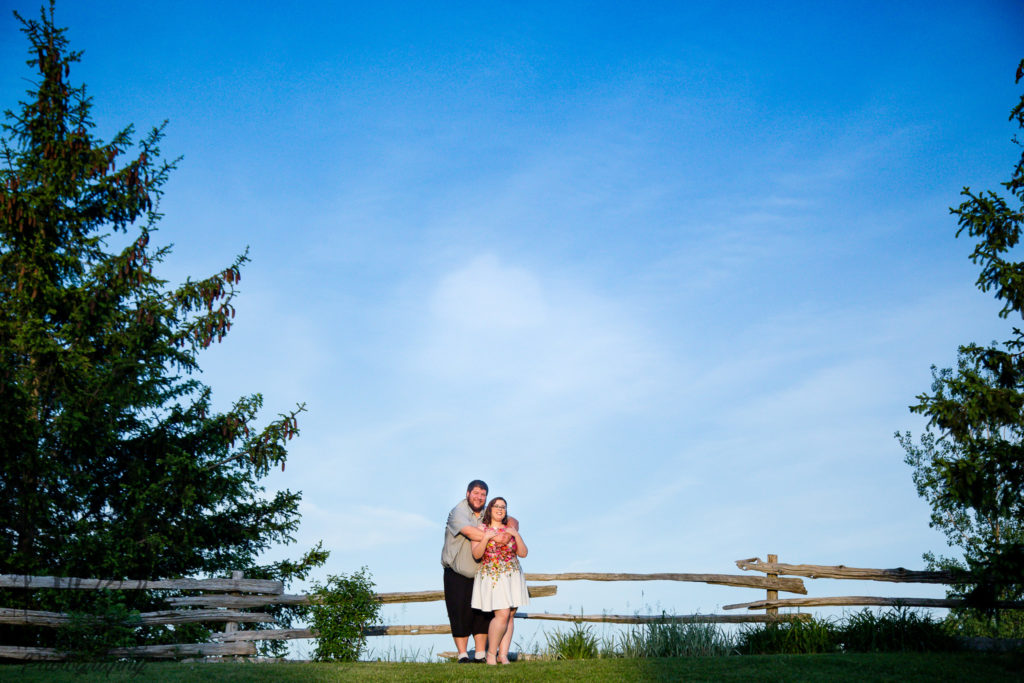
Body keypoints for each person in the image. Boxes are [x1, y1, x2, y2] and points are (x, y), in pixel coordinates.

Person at [440, 480, 517, 663]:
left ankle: (481, 654)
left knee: (482, 612)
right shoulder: (457, 512)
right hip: (457, 571)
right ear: (467, 493)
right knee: (459, 612)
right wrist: (499, 536)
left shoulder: (487, 511)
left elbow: (512, 520)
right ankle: (463, 655)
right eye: (476, 493)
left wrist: (509, 532)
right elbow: (472, 533)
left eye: (483, 494)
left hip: (481, 572)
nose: (479, 497)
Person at [470, 496, 529, 665]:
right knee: (502, 614)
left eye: (503, 506)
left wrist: (516, 535)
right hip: (493, 575)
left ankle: (503, 655)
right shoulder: (481, 529)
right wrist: (486, 538)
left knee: (510, 615)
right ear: (490, 509)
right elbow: (476, 554)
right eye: (496, 506)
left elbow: (523, 553)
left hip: (512, 574)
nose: (500, 509)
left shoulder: (510, 528)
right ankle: (491, 654)